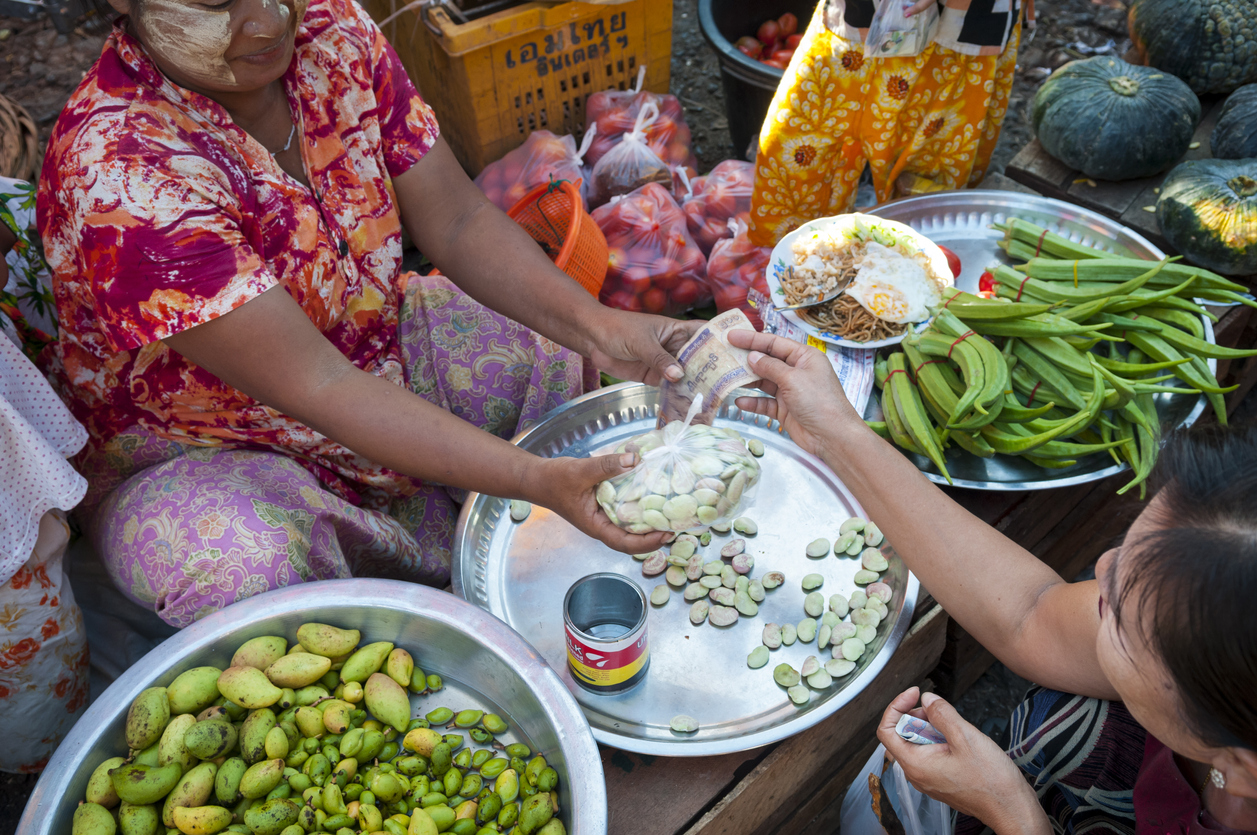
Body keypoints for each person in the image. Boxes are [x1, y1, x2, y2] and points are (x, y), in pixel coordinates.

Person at [37, 0, 697, 627]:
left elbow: (459, 220)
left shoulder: (329, 28)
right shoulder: (121, 170)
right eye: (216, 3)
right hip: (201, 441)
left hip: (369, 344)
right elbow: (319, 386)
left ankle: (528, 517)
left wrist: (601, 326)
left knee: (548, 342)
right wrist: (532, 478)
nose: (267, 19)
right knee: (246, 568)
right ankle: (512, 517)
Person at [725, 328, 1257, 834]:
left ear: (1240, 768)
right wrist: (836, 433)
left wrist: (1011, 813)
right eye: (1124, 551)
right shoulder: (1212, 626)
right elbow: (1031, 613)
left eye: (1119, 615)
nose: (1100, 571)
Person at [748, 0, 1028, 247]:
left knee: (922, 202)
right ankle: (785, 275)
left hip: (960, 28)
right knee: (791, 163)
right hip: (861, 16)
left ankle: (899, 287)